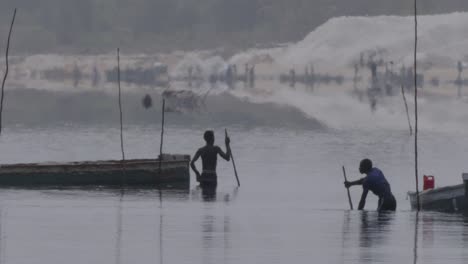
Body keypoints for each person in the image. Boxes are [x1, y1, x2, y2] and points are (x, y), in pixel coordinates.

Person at [190, 131, 231, 198]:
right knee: (212, 196)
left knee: (205, 196)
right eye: (214, 137)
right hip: (212, 177)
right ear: (212, 139)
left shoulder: (201, 150)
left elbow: (192, 163)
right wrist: (227, 144)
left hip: (204, 176)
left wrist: (197, 173)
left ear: (205, 139)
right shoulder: (216, 149)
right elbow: (227, 158)